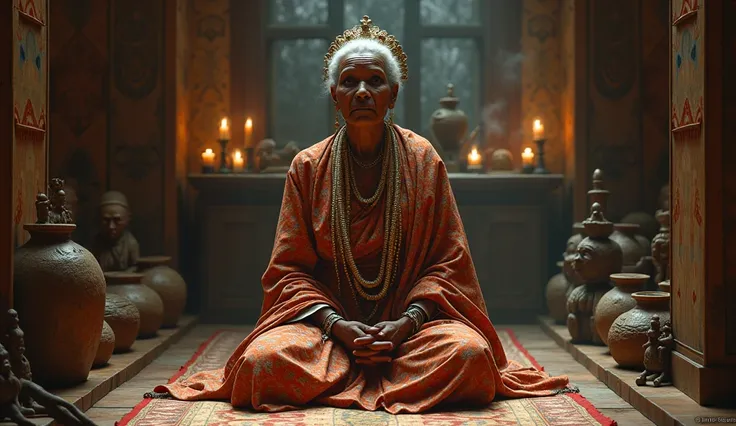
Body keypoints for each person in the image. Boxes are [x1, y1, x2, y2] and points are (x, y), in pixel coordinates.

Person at [153, 15, 569, 413]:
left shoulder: (423, 160)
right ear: (335, 95)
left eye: (375, 81)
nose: (363, 92)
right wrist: (339, 327)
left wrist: (404, 324)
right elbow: (288, 272)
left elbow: (449, 262)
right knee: (261, 362)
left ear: (393, 94)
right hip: (325, 334)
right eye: (349, 82)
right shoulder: (308, 167)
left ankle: (343, 378)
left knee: (471, 356)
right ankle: (360, 369)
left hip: (411, 334)